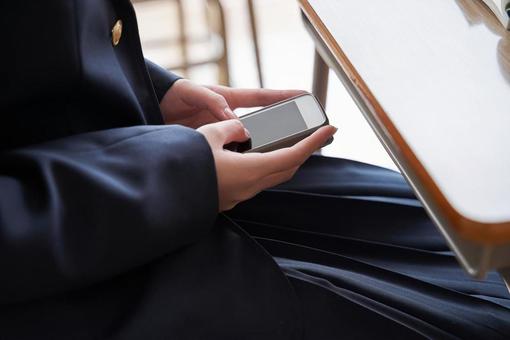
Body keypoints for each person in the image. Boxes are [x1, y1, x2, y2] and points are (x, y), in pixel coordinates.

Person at [1, 1, 509, 339]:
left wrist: (151, 92)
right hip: (70, 265)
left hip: (137, 165)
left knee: (443, 235)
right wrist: (182, 176)